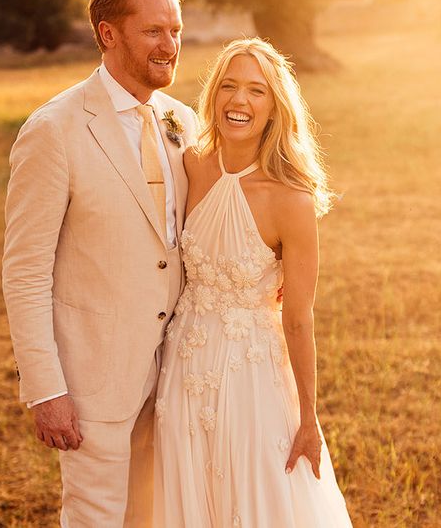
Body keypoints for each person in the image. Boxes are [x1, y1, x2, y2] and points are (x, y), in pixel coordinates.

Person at [2, 0, 198, 527]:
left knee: (159, 515)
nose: (171, 45)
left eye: (176, 30)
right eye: (155, 31)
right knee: (96, 518)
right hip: (94, 379)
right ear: (108, 34)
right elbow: (25, 271)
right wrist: (46, 390)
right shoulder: (54, 129)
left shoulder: (181, 120)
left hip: (177, 375)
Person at [154, 38, 353, 526]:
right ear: (213, 96)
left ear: (274, 108)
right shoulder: (190, 165)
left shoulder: (292, 201)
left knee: (256, 495)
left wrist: (308, 417)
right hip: (184, 367)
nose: (239, 101)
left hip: (253, 375)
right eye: (229, 86)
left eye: (256, 91)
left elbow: (299, 318)